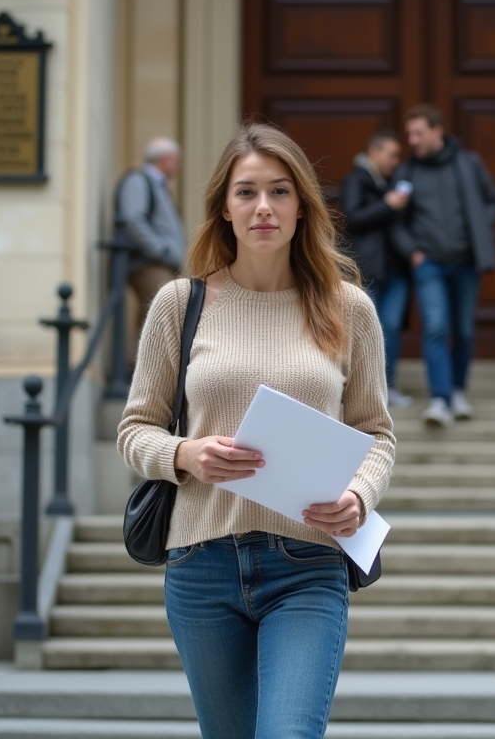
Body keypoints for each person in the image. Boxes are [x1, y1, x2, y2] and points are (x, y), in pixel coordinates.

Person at [117, 122, 395, 739]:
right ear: (224, 208)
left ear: (303, 208)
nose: (263, 207)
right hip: (200, 564)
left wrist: (359, 496)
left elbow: (377, 433)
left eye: (280, 191)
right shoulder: (178, 304)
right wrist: (185, 453)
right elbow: (135, 430)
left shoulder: (348, 308)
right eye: (246, 192)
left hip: (308, 564)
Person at [391, 103, 495, 428]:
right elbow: (396, 222)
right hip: (430, 264)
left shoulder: (469, 163)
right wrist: (412, 251)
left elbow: (492, 201)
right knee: (437, 328)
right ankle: (439, 398)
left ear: (437, 131)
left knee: (463, 331)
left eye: (418, 133)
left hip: (466, 262)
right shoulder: (407, 172)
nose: (412, 140)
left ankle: (457, 393)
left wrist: (480, 229)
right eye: (409, 133)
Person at [338, 129, 414, 407]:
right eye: (392, 155)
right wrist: (387, 205)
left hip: (396, 269)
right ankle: (365, 393)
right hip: (368, 269)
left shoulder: (393, 181)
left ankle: (388, 386)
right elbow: (353, 218)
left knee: (390, 328)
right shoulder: (356, 180)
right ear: (374, 152)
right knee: (367, 330)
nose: (396, 161)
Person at [117, 137, 188, 331]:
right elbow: (133, 220)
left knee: (154, 313)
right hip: (148, 263)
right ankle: (142, 360)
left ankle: (140, 360)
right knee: (161, 309)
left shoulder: (158, 185)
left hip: (161, 263)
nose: (177, 166)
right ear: (165, 160)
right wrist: (161, 251)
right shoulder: (138, 180)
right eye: (176, 160)